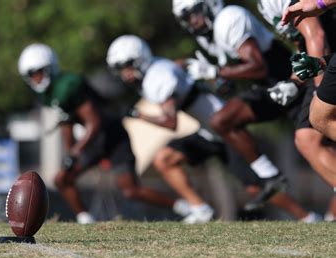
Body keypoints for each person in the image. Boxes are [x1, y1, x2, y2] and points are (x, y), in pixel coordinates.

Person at [106, 35, 320, 223]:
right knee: (164, 158)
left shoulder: (157, 77)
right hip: (208, 131)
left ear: (139, 58)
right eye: (120, 70)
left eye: (127, 66)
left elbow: (171, 123)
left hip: (225, 132)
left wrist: (138, 115)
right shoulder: (159, 69)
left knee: (256, 186)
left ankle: (307, 217)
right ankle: (201, 209)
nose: (126, 74)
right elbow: (180, 67)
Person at [18, 43, 188, 224]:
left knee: (131, 191)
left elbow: (94, 122)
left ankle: (184, 206)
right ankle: (85, 220)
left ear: (50, 68)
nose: (36, 78)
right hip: (92, 141)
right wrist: (71, 153)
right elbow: (66, 122)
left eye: (39, 71)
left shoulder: (68, 84)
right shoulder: (46, 94)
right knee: (62, 179)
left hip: (112, 136)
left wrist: (75, 151)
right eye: (31, 74)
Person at [173, 0, 299, 211]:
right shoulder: (209, 35)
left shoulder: (229, 19)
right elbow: (233, 77)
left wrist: (215, 72)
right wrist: (220, 80)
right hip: (267, 87)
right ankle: (270, 176)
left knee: (315, 141)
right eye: (185, 19)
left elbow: (258, 67)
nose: (191, 22)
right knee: (222, 121)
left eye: (192, 14)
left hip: (290, 81)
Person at [258, 0, 336, 221]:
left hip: (327, 62)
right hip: (325, 61)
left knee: (311, 132)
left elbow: (317, 37)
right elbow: (304, 44)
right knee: (308, 137)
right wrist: (294, 82)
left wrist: (320, 90)